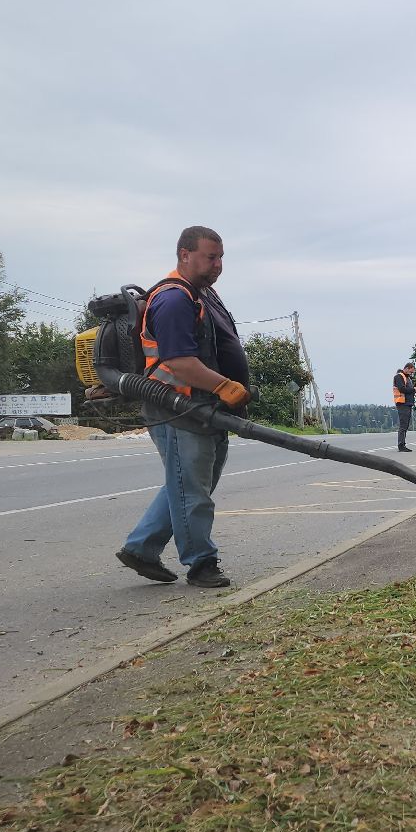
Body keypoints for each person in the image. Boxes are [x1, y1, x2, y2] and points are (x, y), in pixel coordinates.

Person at [115, 226, 251, 590]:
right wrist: (225, 386)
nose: (218, 264)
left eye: (221, 257)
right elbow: (179, 362)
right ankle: (201, 563)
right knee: (192, 489)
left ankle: (141, 548)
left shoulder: (202, 294)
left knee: (190, 485)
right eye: (211, 257)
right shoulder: (174, 300)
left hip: (204, 407)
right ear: (184, 255)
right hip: (177, 409)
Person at [393, 360, 416, 451]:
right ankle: (401, 445)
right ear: (406, 368)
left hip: (407, 403)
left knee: (405, 425)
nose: (412, 374)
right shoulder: (399, 376)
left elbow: (409, 389)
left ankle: (403, 444)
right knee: (403, 425)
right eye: (411, 371)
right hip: (402, 403)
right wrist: (413, 389)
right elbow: (402, 389)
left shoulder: (407, 378)